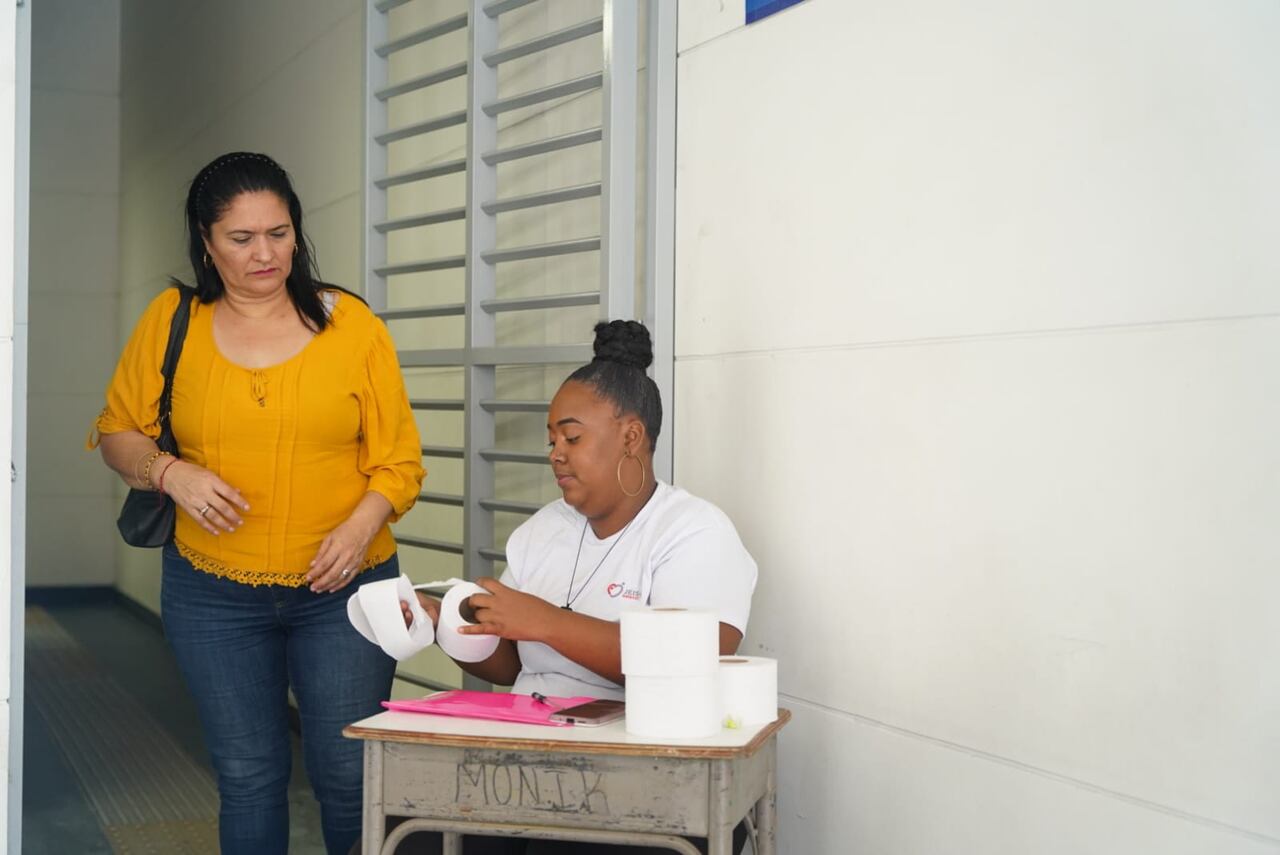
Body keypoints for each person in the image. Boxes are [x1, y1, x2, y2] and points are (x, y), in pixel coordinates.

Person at [89, 151, 426, 855]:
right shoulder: (171, 317)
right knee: (247, 775)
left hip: (346, 590)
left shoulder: (352, 324)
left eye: (279, 232)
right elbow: (117, 430)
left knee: (348, 773)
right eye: (241, 239)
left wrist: (362, 525)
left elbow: (399, 462)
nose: (264, 253)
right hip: (212, 592)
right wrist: (168, 471)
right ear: (207, 244)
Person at [404, 320, 757, 855]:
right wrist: (442, 625)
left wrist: (544, 621)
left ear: (631, 436)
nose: (555, 453)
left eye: (572, 437)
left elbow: (695, 664)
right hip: (529, 766)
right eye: (552, 441)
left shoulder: (693, 531)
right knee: (404, 839)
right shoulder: (541, 530)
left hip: (640, 773)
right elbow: (509, 666)